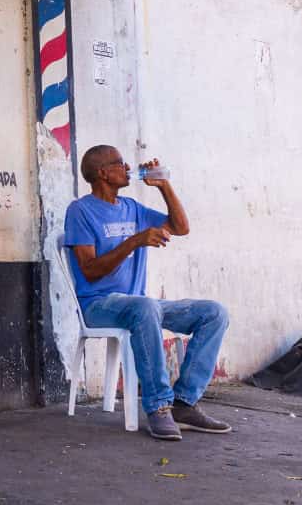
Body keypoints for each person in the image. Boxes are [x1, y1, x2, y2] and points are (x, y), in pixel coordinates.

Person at [62, 145, 231, 440]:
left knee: (213, 313)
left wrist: (164, 186)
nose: (127, 167)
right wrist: (133, 242)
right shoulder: (80, 211)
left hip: (142, 305)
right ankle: (159, 407)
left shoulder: (132, 208)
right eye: (120, 163)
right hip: (99, 305)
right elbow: (89, 270)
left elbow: (181, 227)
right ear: (103, 173)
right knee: (145, 307)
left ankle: (184, 404)